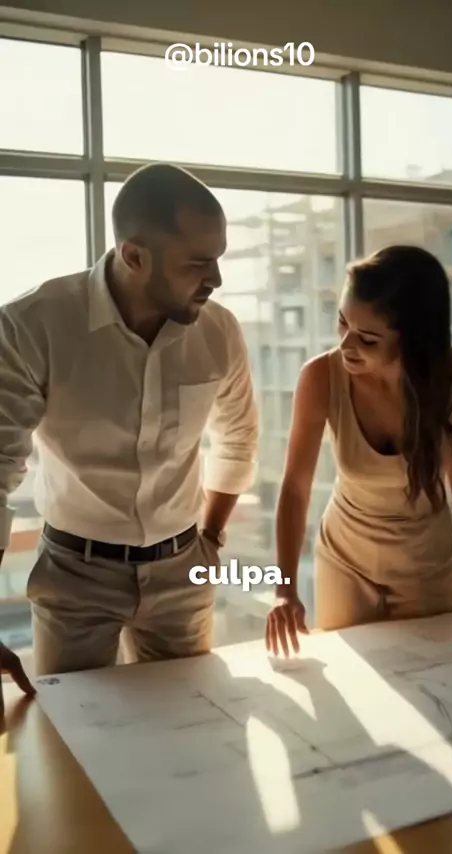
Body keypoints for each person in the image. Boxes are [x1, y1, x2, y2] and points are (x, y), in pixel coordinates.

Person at [0, 163, 258, 677]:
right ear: (135, 256)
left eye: (218, 259)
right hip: (74, 577)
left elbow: (238, 440)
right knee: (72, 720)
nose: (216, 279)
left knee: (189, 717)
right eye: (198, 263)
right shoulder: (33, 325)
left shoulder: (220, 331)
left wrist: (211, 539)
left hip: (184, 568)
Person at [267, 244, 452, 656]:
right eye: (342, 323)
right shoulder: (320, 377)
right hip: (345, 560)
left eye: (367, 338)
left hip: (425, 562)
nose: (346, 345)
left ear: (415, 341)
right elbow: (294, 487)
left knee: (430, 677)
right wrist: (285, 590)